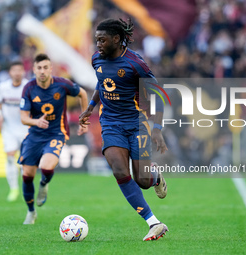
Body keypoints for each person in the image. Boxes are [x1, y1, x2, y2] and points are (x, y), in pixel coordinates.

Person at [79, 18, 168, 241]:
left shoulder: (136, 64)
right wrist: (90, 107)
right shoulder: (96, 59)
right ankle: (154, 222)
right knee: (119, 169)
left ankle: (155, 176)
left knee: (143, 181)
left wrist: (156, 129)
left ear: (117, 39)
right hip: (110, 123)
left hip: (138, 124)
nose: (98, 44)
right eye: (96, 39)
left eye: (102, 40)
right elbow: (103, 82)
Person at [18, 53, 88, 224]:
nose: (42, 71)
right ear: (34, 70)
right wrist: (36, 121)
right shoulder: (28, 88)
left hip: (56, 133)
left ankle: (43, 184)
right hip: (34, 135)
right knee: (27, 174)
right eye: (39, 68)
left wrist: (83, 120)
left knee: (46, 166)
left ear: (51, 69)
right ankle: (31, 211)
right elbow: (23, 118)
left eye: (45, 68)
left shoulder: (62, 84)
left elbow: (83, 94)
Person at [0, 61, 29, 202]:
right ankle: (13, 188)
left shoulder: (28, 86)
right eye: (14, 70)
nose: (17, 73)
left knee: (25, 160)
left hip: (25, 127)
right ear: (10, 72)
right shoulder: (3, 87)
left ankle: (26, 187)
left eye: (19, 70)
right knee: (10, 157)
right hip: (8, 127)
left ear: (23, 72)